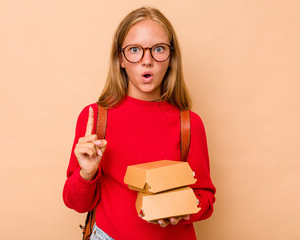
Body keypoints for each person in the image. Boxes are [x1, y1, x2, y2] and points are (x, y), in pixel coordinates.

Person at [63, 6, 216, 240]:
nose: (147, 61)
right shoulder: (94, 118)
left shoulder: (189, 123)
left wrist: (183, 209)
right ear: (121, 59)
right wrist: (86, 173)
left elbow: (205, 198)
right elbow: (76, 203)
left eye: (158, 49)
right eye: (135, 50)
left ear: (171, 58)